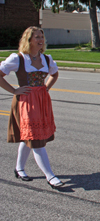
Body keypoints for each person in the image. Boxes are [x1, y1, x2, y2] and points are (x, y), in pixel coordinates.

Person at [0, 26, 65, 189]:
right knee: (36, 139)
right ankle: (50, 175)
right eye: (37, 37)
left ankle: (19, 168)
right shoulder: (18, 59)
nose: (41, 40)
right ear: (28, 40)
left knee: (29, 136)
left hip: (41, 101)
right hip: (26, 102)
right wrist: (14, 90)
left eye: (42, 37)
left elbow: (55, 74)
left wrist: (46, 88)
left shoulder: (46, 59)